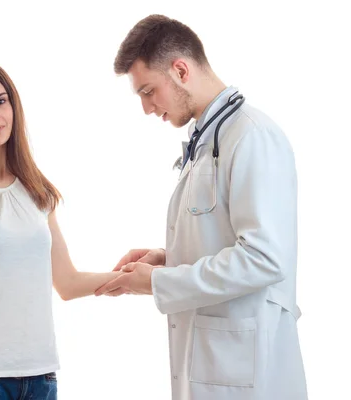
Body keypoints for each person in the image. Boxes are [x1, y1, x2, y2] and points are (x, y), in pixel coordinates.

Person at [95, 15, 308, 400]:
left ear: (180, 70)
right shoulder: (209, 140)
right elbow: (223, 237)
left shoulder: (252, 136)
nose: (146, 108)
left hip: (249, 373)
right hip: (217, 366)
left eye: (148, 91)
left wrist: (159, 283)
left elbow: (265, 257)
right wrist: (168, 258)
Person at [0, 57, 121, 400]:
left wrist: (132, 276)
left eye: (0, 101)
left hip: (41, 377)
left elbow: (68, 283)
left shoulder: (36, 190)